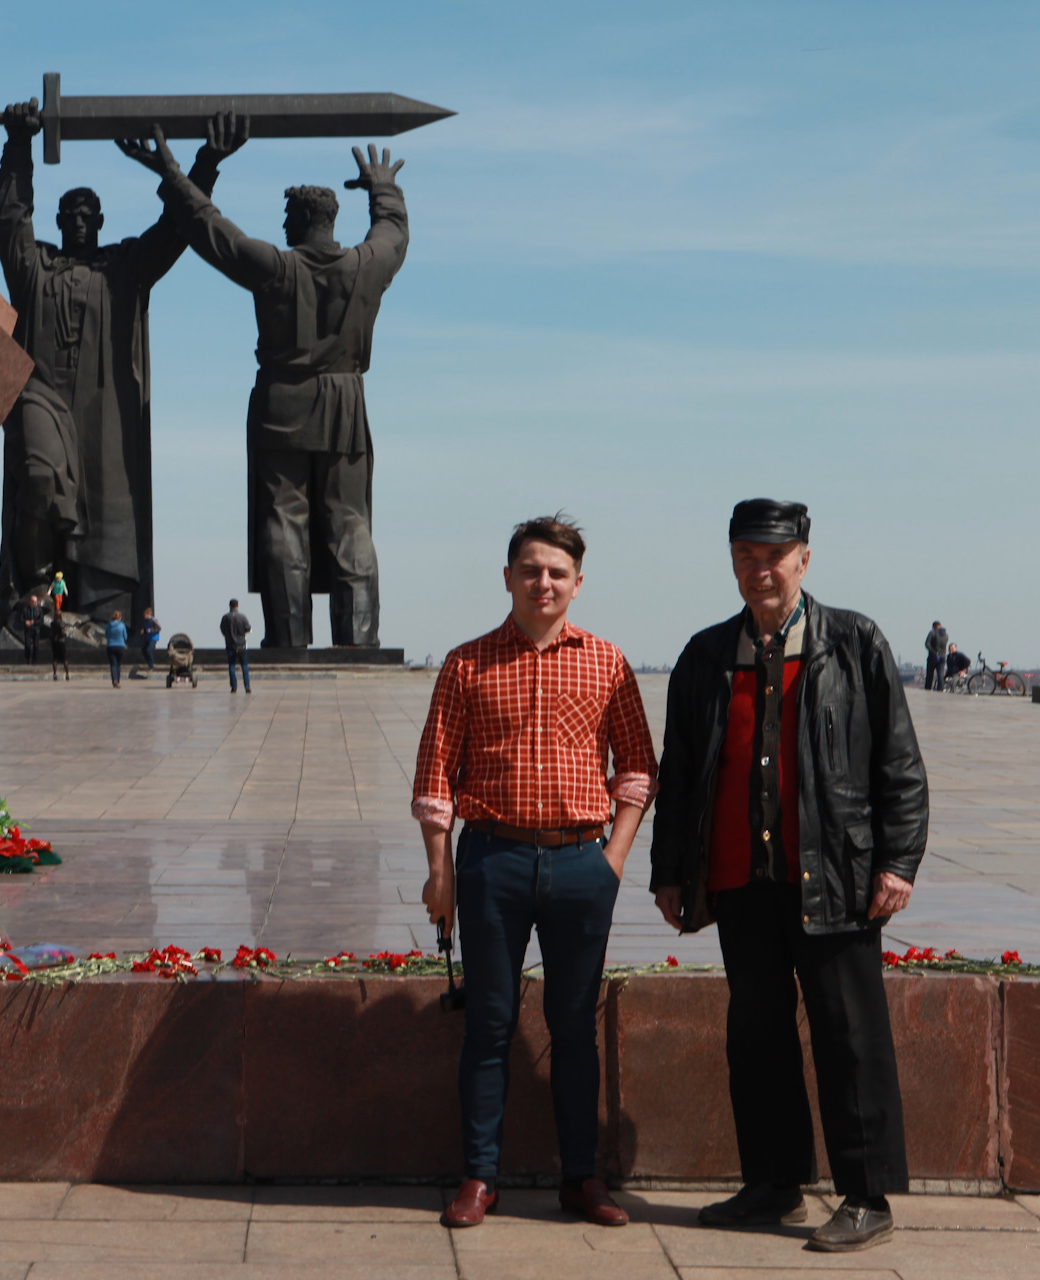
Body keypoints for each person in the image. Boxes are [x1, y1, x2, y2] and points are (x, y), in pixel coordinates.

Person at [651, 499, 927, 1254]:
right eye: (745, 554)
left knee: (850, 1038)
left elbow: (897, 765)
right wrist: (671, 872)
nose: (759, 569)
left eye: (774, 555)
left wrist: (898, 863)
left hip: (834, 880)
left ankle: (866, 1196)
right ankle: (773, 1184)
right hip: (743, 883)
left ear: (804, 559)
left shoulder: (853, 641)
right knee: (758, 1037)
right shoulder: (706, 655)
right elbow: (680, 777)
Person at [413, 515, 656, 1232]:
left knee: (574, 1026)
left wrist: (612, 860)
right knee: (489, 1023)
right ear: (509, 577)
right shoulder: (466, 663)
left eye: (556, 572)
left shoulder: (608, 662)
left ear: (578, 584)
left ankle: (581, 1177)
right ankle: (479, 1177)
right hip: (493, 860)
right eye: (530, 569)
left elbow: (637, 768)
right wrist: (440, 871)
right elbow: (435, 777)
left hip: (582, 862)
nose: (542, 582)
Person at [124, 119, 406, 649]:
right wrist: (383, 188)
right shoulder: (366, 267)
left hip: (283, 403)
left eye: (286, 214)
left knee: (285, 517)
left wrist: (173, 173)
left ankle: (288, 640)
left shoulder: (276, 269)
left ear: (301, 218)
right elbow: (394, 234)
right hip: (344, 404)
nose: (282, 223)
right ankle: (359, 644)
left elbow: (210, 230)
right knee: (350, 521)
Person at [0, 101, 230, 636]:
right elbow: (10, 221)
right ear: (57, 221)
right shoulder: (36, 269)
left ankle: (100, 614)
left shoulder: (124, 268)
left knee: (104, 513)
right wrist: (18, 147)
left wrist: (206, 164)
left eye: (87, 215)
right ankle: (33, 590)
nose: (77, 221)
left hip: (106, 418)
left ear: (99, 222)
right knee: (38, 477)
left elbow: (176, 230)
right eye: (69, 214)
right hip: (43, 400)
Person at [220, 598, 253, 693]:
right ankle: (247, 686)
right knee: (244, 666)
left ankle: (234, 687)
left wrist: (228, 636)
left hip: (230, 644)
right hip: (241, 645)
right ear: (237, 606)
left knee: (232, 666)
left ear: (230, 606)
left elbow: (222, 629)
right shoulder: (242, 617)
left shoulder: (226, 617)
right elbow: (248, 628)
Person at [19, 594, 46, 665]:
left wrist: (34, 622)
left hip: (36, 630)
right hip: (28, 630)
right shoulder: (25, 609)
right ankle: (27, 659)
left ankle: (34, 660)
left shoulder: (39, 609)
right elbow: (21, 618)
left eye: (36, 601)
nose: (35, 603)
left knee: (36, 646)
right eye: (34, 601)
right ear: (30, 601)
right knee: (27, 645)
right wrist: (26, 622)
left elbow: (41, 620)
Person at [105, 611, 129, 687]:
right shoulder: (122, 625)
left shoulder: (109, 625)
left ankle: (114, 680)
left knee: (113, 664)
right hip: (120, 646)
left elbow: (106, 635)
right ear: (120, 617)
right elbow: (125, 637)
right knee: (118, 665)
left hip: (110, 646)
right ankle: (117, 681)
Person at [924, 621, 949, 691]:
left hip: (933, 656)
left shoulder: (932, 633)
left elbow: (927, 644)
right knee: (940, 674)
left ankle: (927, 689)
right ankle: (940, 689)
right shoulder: (946, 635)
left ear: (933, 627)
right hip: (943, 656)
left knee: (930, 674)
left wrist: (933, 651)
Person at [138, 607, 162, 671]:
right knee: (143, 650)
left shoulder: (153, 620)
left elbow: (159, 628)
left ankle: (151, 666)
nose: (144, 616)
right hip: (149, 638)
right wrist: (144, 631)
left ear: (148, 614)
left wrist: (151, 630)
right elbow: (147, 629)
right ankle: (149, 663)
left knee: (148, 650)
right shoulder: (147, 621)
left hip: (153, 638)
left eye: (145, 615)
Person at [48, 611, 70, 682]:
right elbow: (63, 633)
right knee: (64, 658)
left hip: (54, 642)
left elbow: (51, 633)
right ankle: (67, 674)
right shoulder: (62, 623)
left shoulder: (52, 623)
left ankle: (55, 674)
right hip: (61, 642)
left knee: (55, 658)